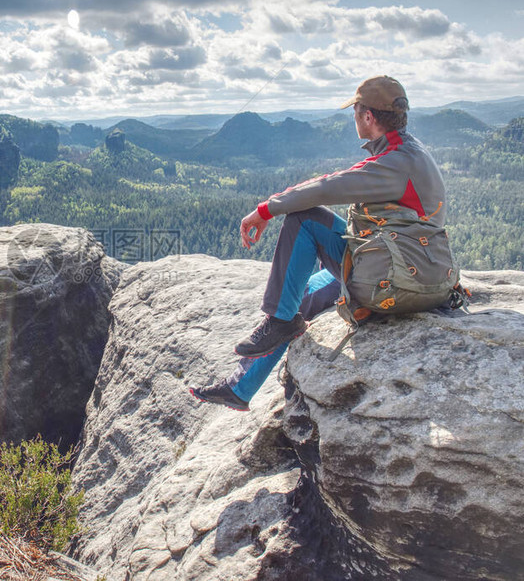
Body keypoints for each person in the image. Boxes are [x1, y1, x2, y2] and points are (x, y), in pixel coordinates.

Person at [190, 75, 448, 411]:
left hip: (395, 280)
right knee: (304, 293)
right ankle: (241, 387)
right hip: (410, 270)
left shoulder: (394, 162)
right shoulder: (409, 151)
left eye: (355, 111)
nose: (353, 117)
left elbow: (327, 187)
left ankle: (279, 321)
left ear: (368, 116)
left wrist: (266, 209)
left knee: (305, 218)